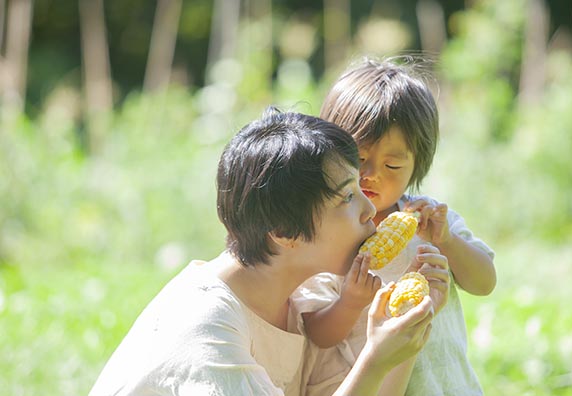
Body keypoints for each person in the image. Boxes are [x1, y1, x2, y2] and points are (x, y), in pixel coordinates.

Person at [88, 108, 451, 396]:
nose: (371, 210)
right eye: (346, 197)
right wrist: (373, 359)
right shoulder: (206, 328)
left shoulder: (301, 302)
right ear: (283, 231)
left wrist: (409, 328)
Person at [295, 57, 497, 396]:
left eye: (392, 164)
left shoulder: (431, 221)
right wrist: (350, 301)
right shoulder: (324, 233)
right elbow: (318, 333)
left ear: (417, 165)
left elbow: (485, 281)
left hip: (447, 385)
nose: (371, 173)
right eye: (358, 159)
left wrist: (448, 242)